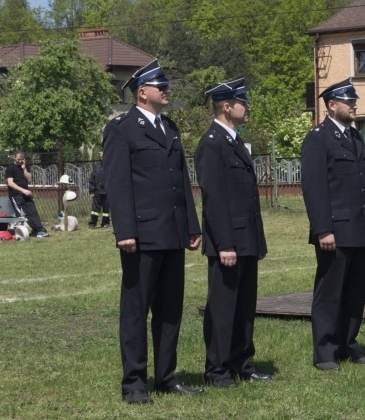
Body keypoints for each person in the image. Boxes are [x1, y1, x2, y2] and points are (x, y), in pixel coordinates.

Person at [103, 60, 203, 405]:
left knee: (169, 308)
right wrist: (125, 231)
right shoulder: (122, 128)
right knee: (136, 309)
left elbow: (181, 183)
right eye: (161, 86)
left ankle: (166, 376)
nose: (167, 90)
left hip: (173, 233)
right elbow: (117, 185)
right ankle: (134, 382)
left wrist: (192, 225)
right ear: (141, 92)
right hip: (141, 235)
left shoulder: (170, 128)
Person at [300, 78, 365, 371]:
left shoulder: (355, 137)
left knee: (356, 290)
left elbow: (363, 186)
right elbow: (315, 188)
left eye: (354, 100)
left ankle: (348, 344)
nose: (354, 104)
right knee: (330, 291)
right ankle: (325, 351)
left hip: (359, 227)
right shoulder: (318, 138)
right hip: (335, 228)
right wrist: (323, 228)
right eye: (348, 101)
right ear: (332, 105)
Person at [195, 78, 270, 387]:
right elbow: (214, 199)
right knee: (223, 308)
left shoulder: (234, 140)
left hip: (246, 238)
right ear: (227, 107)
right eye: (242, 102)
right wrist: (225, 243)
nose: (247, 107)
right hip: (228, 242)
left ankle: (242, 362)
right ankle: (218, 369)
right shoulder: (211, 143)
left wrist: (255, 240)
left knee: (244, 306)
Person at [5, 151, 49, 238]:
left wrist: (24, 169)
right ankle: (37, 230)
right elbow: (10, 183)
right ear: (14, 158)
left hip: (26, 194)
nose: (20, 161)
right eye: (19, 159)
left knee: (33, 211)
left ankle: (39, 229)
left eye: (22, 159)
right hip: (16, 195)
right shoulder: (10, 168)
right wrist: (23, 190)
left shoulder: (24, 166)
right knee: (25, 214)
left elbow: (29, 179)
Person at [88, 152, 110, 228]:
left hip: (107, 191)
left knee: (106, 210)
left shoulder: (110, 166)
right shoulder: (96, 166)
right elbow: (91, 179)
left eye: (103, 156)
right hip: (97, 191)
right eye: (101, 156)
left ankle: (105, 223)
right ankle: (92, 224)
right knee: (95, 210)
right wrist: (91, 191)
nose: (102, 158)